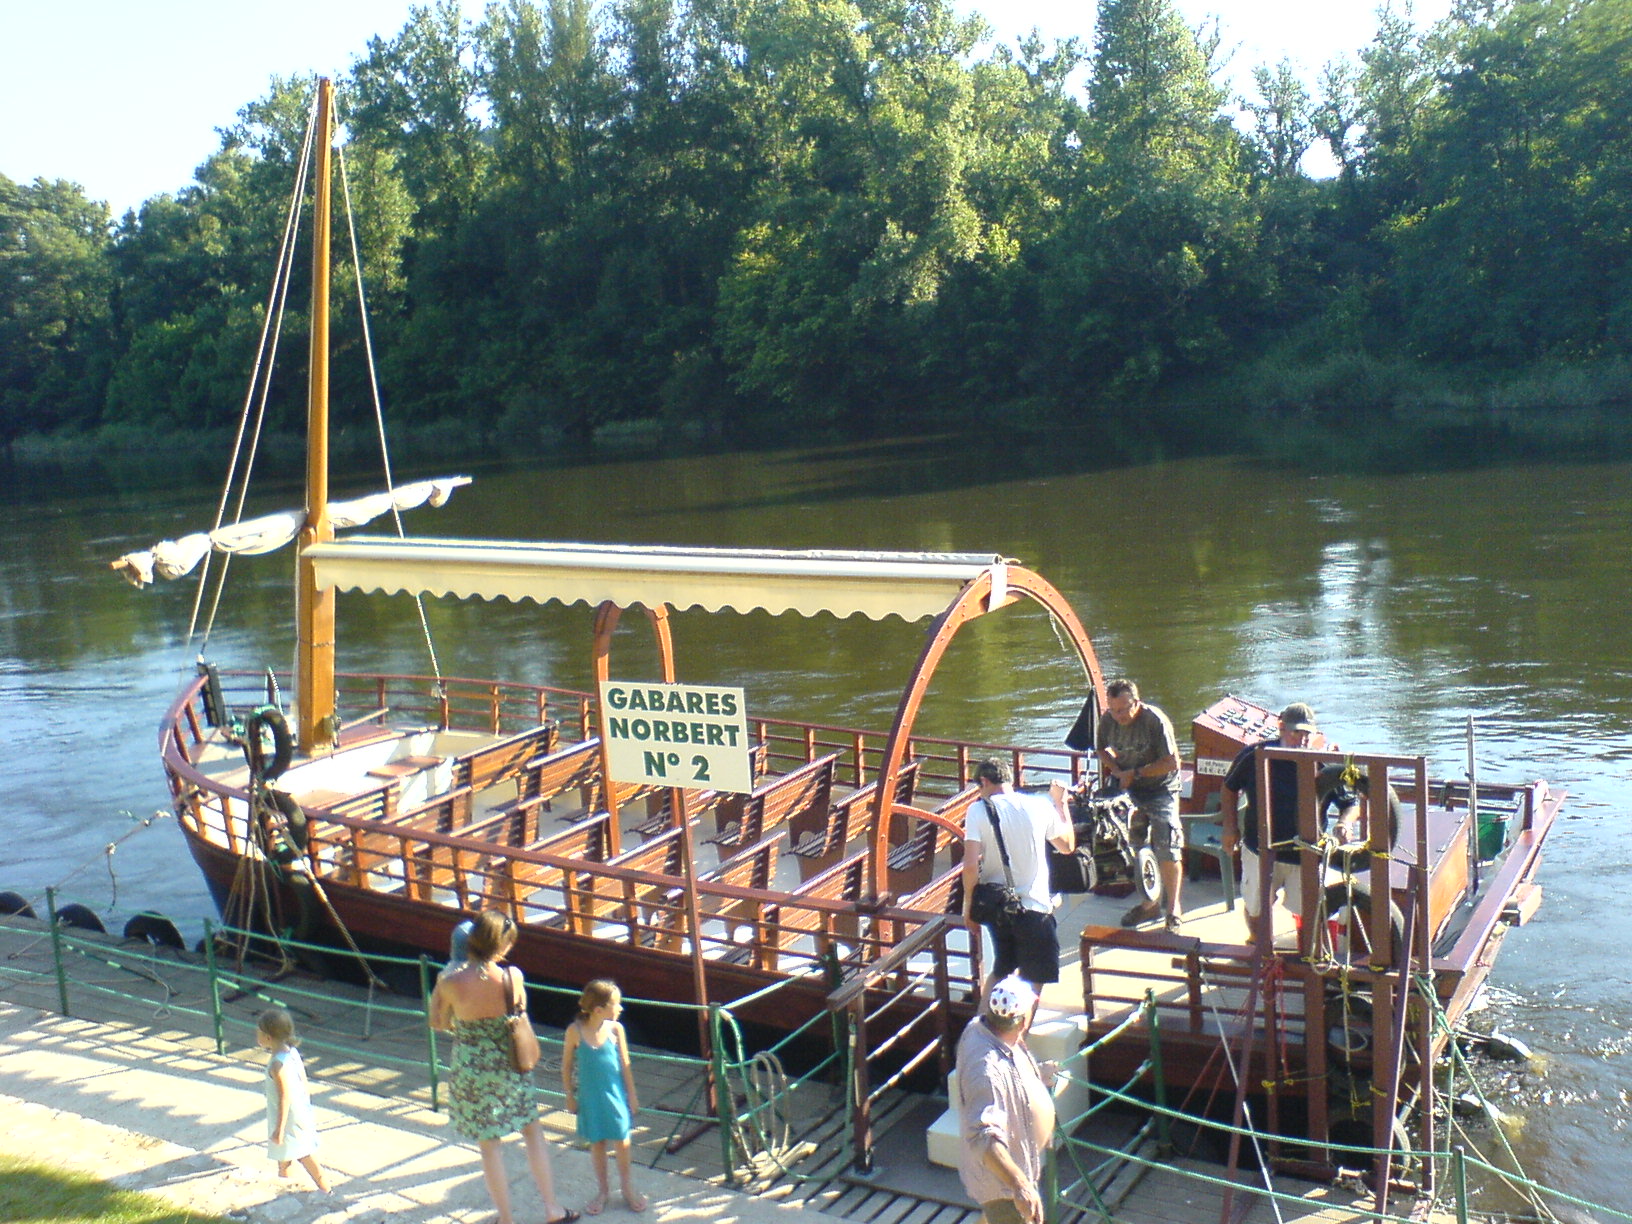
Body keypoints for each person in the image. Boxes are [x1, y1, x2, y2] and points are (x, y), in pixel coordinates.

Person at [430, 910, 578, 1224]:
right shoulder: (513, 977)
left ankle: (506, 1219)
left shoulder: (449, 982)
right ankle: (552, 1209)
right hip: (510, 1065)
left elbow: (437, 1022)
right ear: (501, 945)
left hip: (471, 1070)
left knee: (489, 1148)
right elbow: (519, 1013)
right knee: (532, 1133)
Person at [1218, 702, 1359, 945]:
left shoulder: (1323, 765)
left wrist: (1344, 824)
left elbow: (1351, 803)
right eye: (1296, 732)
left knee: (1312, 910)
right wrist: (1230, 828)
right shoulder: (1254, 755)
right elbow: (1229, 787)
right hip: (1260, 848)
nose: (1301, 739)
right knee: (1255, 906)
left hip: (1305, 853)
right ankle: (1259, 945)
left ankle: (1310, 954)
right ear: (1281, 727)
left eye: (1306, 733)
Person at [961, 758, 1074, 996]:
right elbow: (1067, 847)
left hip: (998, 906)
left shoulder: (977, 810)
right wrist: (1061, 803)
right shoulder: (1041, 805)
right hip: (1036, 907)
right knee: (1035, 978)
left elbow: (970, 866)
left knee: (1001, 969)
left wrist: (968, 908)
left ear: (984, 781)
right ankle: (1021, 1021)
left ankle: (984, 1017)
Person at [955, 974, 1056, 1224]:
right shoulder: (985, 1070)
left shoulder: (990, 1031)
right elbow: (983, 1136)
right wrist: (1020, 1186)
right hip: (1003, 1187)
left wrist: (1037, 1075)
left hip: (1017, 1171)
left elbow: (1009, 1072)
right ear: (1023, 1021)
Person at [1095, 678, 1184, 931]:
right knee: (1132, 845)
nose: (1118, 716)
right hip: (1130, 789)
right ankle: (1149, 903)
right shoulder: (1108, 720)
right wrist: (1117, 771)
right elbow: (1101, 749)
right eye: (1114, 710)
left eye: (1123, 710)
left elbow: (1172, 762)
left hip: (1161, 788)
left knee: (1168, 845)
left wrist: (1135, 773)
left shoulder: (1155, 721)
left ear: (1136, 703)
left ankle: (1173, 908)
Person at [562, 980, 647, 1215]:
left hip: (615, 1096)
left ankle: (627, 1187)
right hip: (590, 1098)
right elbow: (566, 1066)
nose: (621, 1008)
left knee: (622, 1139)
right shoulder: (575, 1031)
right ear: (599, 1009)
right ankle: (603, 1190)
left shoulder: (616, 1030)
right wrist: (569, 1095)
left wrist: (632, 1095)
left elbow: (625, 1064)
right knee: (597, 1142)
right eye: (616, 1004)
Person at [256, 1007, 331, 1194]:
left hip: (288, 1119)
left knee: (303, 1155)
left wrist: (279, 1129)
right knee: (284, 1158)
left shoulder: (277, 1065)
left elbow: (284, 1096)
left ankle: (326, 1190)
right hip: (299, 1111)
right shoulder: (292, 1053)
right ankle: (286, 1188)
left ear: (267, 1037)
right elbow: (303, 1081)